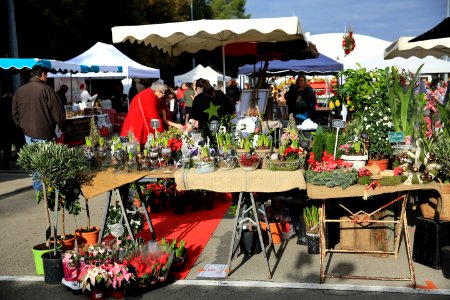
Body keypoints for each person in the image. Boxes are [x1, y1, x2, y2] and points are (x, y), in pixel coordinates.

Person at [12, 64, 67, 189]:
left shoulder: (20, 90)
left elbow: (14, 113)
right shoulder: (46, 89)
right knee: (46, 162)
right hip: (44, 132)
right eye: (46, 75)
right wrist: (63, 128)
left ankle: (39, 188)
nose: (46, 77)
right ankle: (43, 189)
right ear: (42, 75)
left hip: (27, 132)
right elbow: (58, 113)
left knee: (36, 162)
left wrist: (21, 126)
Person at [120, 80, 165, 147]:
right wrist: (161, 134)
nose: (163, 95)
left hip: (131, 125)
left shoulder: (146, 94)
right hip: (137, 127)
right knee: (134, 149)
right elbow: (153, 116)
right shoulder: (149, 96)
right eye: (162, 93)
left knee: (128, 146)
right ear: (157, 90)